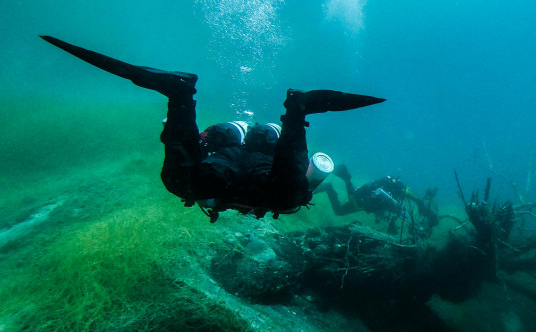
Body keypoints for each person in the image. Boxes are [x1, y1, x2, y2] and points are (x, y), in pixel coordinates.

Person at [40, 35, 385, 222]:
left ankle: (182, 90)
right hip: (251, 170)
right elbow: (306, 174)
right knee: (280, 195)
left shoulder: (224, 173)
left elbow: (300, 170)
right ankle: (295, 108)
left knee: (283, 194)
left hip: (228, 162)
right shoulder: (256, 189)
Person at [318, 164, 439, 237]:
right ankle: (347, 179)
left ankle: (328, 187)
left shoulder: (395, 191)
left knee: (340, 211)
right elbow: (405, 198)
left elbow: (404, 197)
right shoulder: (397, 192)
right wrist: (419, 207)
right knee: (350, 206)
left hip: (367, 196)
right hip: (366, 201)